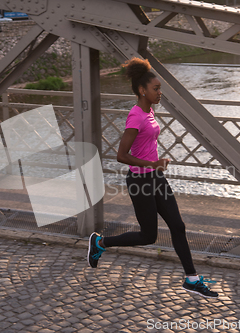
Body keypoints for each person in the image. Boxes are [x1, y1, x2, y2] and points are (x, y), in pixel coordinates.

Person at [87, 57, 218, 298]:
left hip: (156, 178)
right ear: (141, 90)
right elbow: (121, 155)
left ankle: (191, 279)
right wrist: (153, 163)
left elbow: (146, 143)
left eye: (160, 89)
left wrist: (156, 164)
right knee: (148, 236)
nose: (159, 93)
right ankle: (100, 243)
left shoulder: (149, 110)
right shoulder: (136, 116)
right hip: (140, 182)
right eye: (156, 89)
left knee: (178, 226)